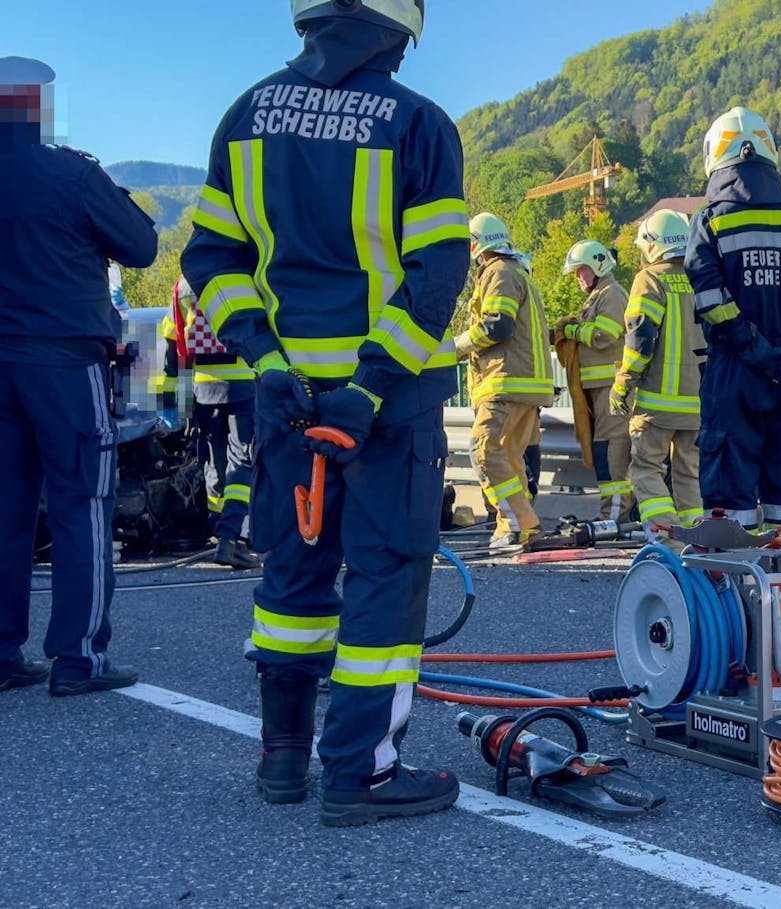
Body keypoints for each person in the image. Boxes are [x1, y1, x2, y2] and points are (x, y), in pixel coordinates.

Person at [180, 0, 470, 823]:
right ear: (394, 29)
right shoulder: (417, 123)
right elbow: (437, 273)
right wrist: (372, 383)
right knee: (383, 570)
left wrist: (268, 360)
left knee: (293, 572)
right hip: (385, 404)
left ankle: (281, 759)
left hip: (285, 400)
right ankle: (359, 772)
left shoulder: (245, 117)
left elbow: (212, 256)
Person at [0, 56, 156, 696]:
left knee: (6, 512)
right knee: (81, 504)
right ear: (38, 107)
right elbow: (141, 246)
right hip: (64, 359)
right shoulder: (72, 173)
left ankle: (3, 655)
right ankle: (79, 657)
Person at [685, 106, 781, 537]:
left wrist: (754, 349)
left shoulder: (712, 222)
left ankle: (733, 594)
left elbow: (711, 299)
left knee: (729, 503)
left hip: (736, 376)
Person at [457, 212, 552, 548]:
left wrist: (456, 347)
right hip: (524, 384)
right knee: (509, 458)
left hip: (506, 382)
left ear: (475, 246)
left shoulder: (498, 273)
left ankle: (515, 524)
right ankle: (521, 524)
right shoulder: (517, 273)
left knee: (484, 450)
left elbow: (496, 326)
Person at [612, 210, 704, 534]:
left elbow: (640, 338)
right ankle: (697, 539)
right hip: (697, 403)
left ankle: (666, 537)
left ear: (653, 244)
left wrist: (623, 383)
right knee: (688, 473)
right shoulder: (700, 276)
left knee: (646, 469)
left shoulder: (649, 278)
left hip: (657, 404)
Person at [159, 278, 260, 569]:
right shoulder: (241, 272)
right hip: (243, 381)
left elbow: (172, 339)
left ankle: (218, 528)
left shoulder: (183, 283)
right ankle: (231, 538)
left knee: (214, 462)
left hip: (203, 386)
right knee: (242, 460)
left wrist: (174, 400)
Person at [557, 241, 633, 522]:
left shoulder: (611, 294)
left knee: (613, 458)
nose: (577, 277)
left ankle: (615, 517)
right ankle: (612, 515)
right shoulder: (598, 296)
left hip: (612, 394)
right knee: (604, 455)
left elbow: (606, 334)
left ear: (598, 266)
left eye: (581, 271)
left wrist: (574, 331)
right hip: (600, 394)